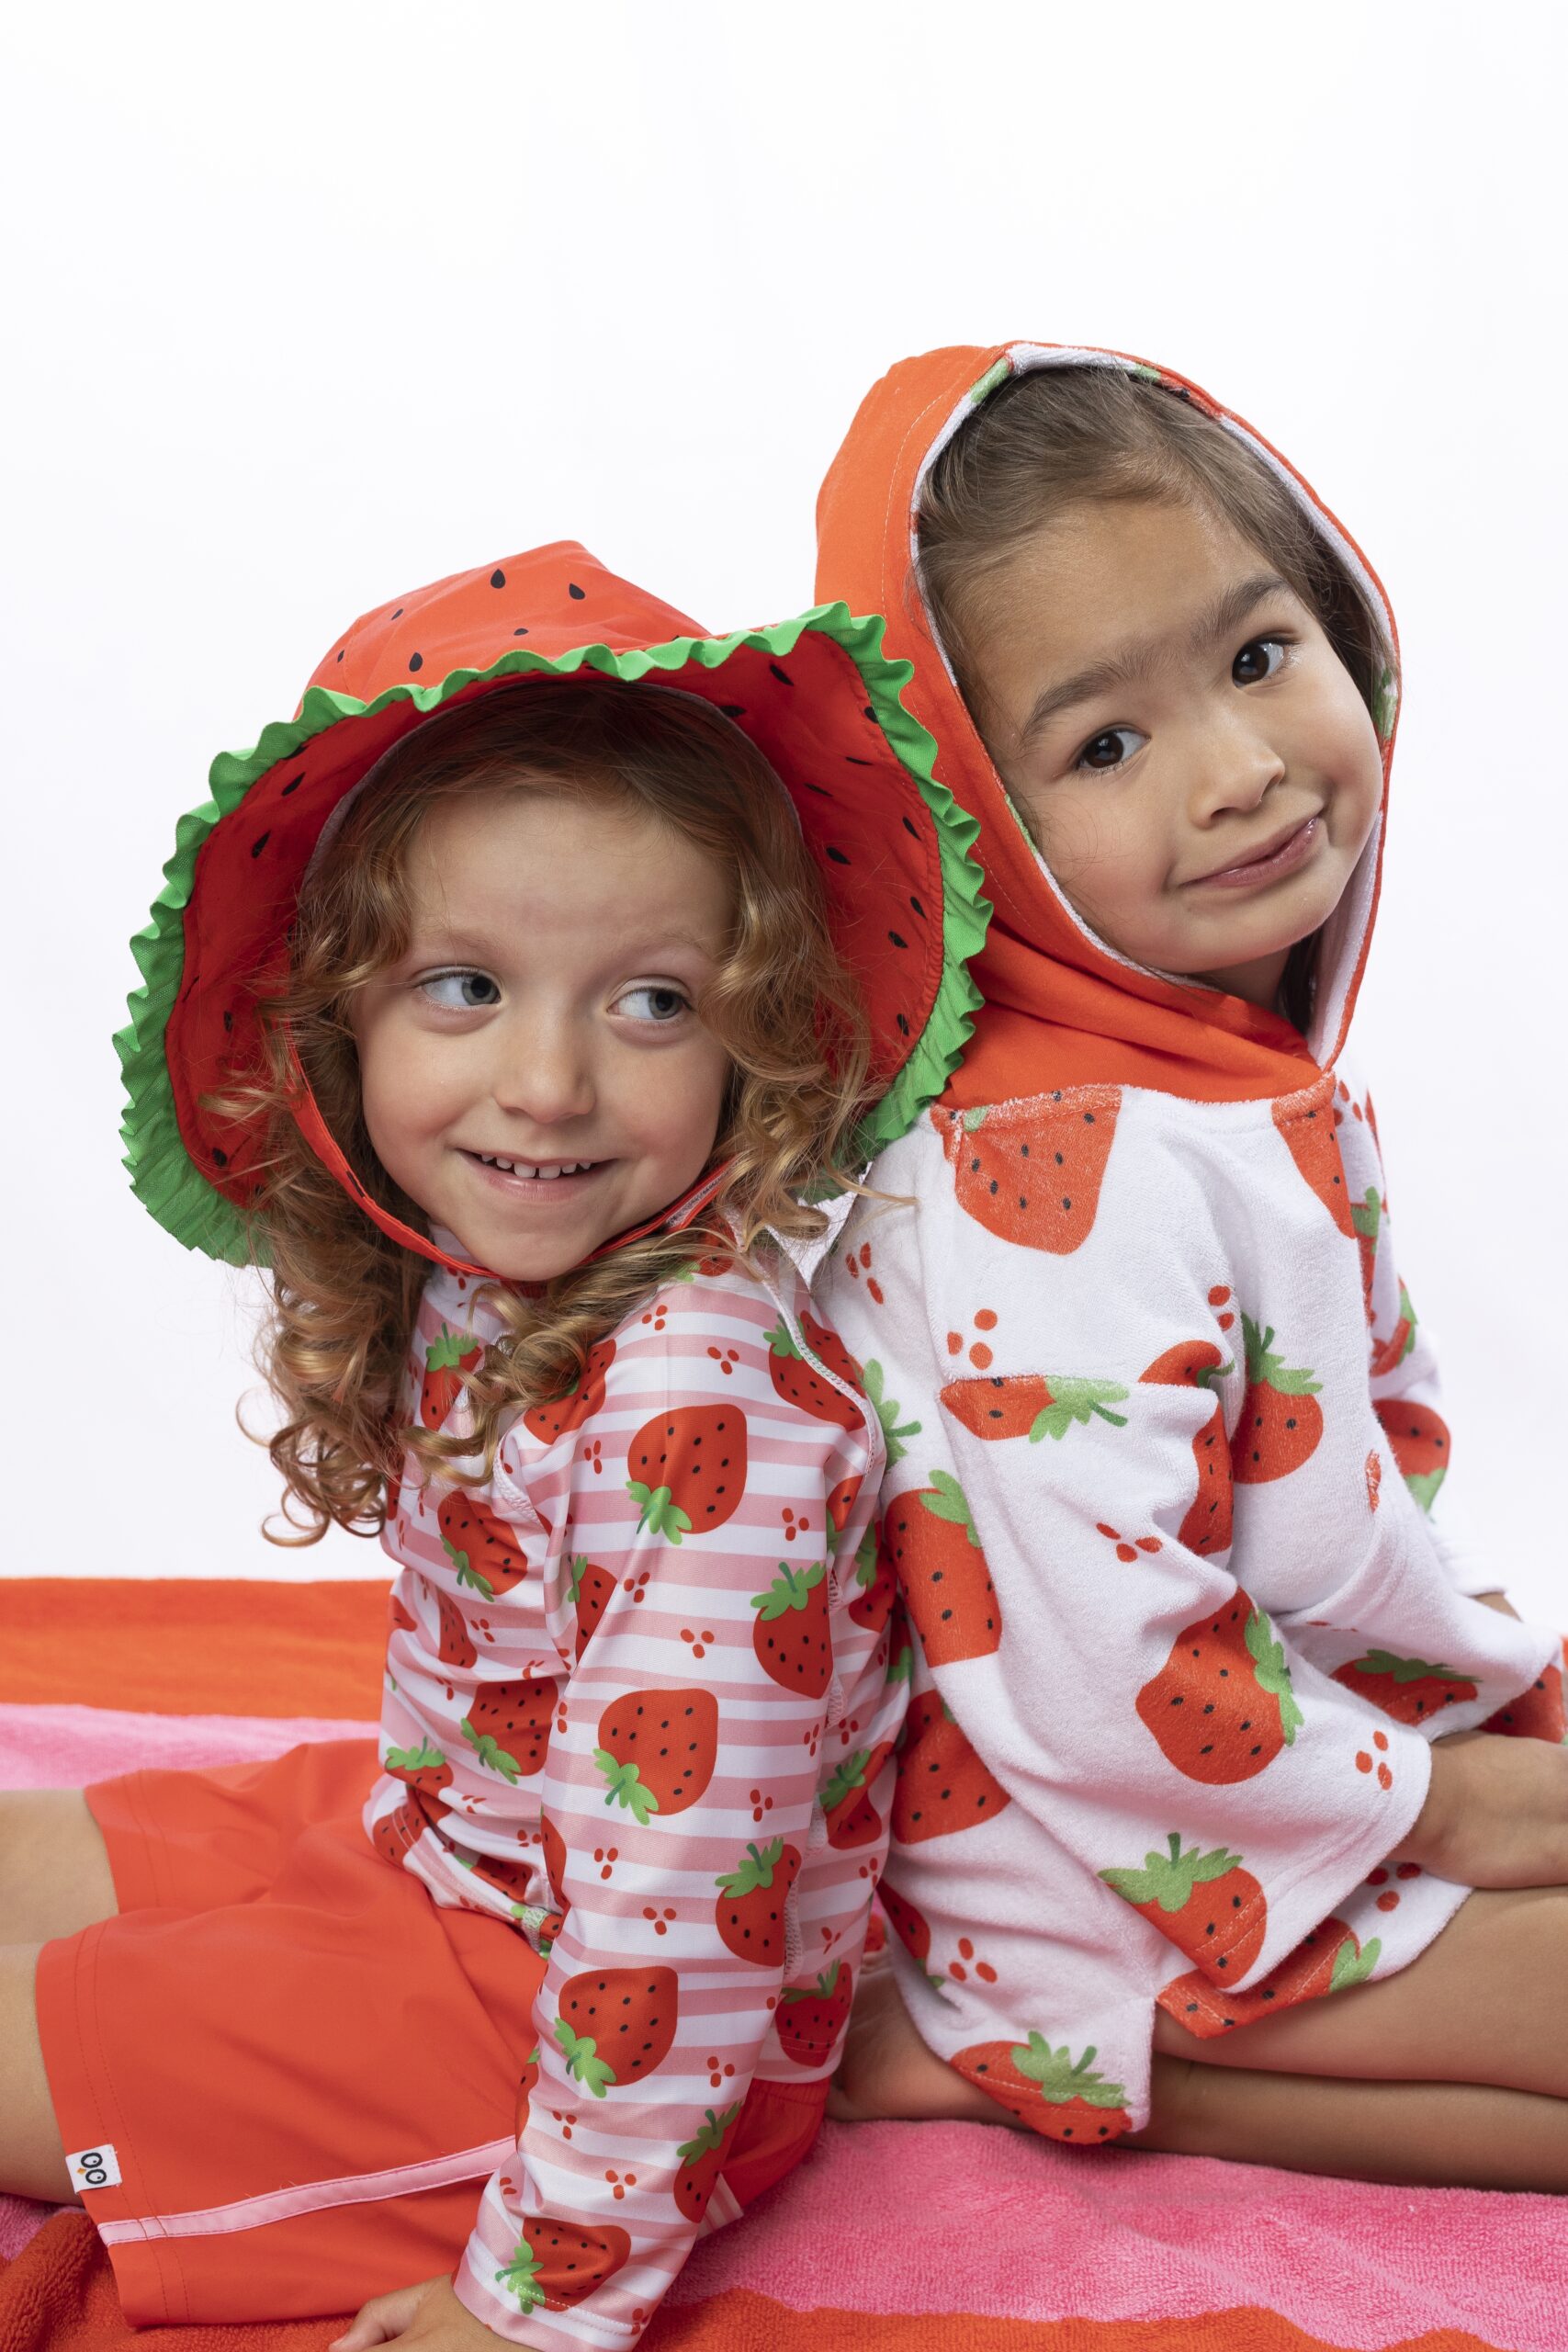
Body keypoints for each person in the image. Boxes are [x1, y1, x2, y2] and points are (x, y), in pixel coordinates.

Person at [0, 543, 988, 2347]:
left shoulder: (710, 1412)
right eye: (465, 985)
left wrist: (541, 2297)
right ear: (342, 1013)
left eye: (650, 1001)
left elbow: (677, 1911)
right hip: (445, 1843)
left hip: (589, 2022)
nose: (545, 1084)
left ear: (757, 1039)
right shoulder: (487, 1266)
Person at [810, 343, 1568, 2189]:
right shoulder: (1053, 1159)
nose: (1238, 772)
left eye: (1254, 656)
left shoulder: (1215, 1068)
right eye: (1104, 744)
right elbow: (1099, 1675)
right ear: (963, 819)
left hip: (1261, 1770)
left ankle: (1059, 2054)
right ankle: (1013, 2040)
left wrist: (1456, 1715)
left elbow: (1347, 1474)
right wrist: (1452, 1802)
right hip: (1080, 1842)